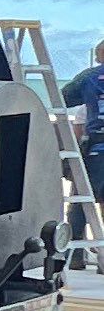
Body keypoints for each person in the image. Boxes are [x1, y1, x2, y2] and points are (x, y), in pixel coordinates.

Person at [65, 33, 104, 200]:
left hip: (99, 147)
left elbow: (64, 98)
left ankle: (76, 225)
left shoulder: (90, 77)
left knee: (83, 200)